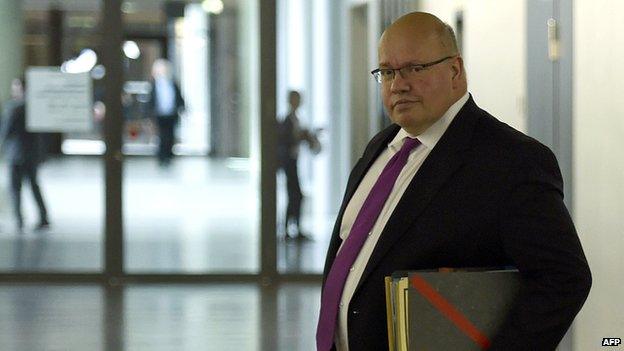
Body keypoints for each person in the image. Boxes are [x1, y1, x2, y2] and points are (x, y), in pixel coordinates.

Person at [316, 12, 591, 351]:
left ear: (455, 71)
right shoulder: (381, 147)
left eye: (414, 69)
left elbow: (564, 280)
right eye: (387, 71)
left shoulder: (510, 162)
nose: (398, 84)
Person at [0, 78, 49, 232]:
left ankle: (19, 219)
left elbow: (6, 131)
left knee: (15, 188)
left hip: (16, 153)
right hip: (31, 152)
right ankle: (43, 217)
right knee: (33, 185)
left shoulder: (13, 107)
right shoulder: (35, 106)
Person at [277, 90, 321, 241]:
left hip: (293, 161)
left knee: (296, 195)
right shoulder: (287, 120)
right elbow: (285, 140)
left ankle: (293, 228)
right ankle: (289, 229)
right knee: (295, 194)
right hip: (288, 163)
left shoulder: (296, 119)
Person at [149, 58, 185, 166]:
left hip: (171, 114)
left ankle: (168, 156)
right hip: (159, 115)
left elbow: (179, 98)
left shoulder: (172, 84)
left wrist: (182, 108)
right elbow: (151, 100)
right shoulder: (154, 85)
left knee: (170, 135)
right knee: (162, 135)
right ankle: (161, 156)